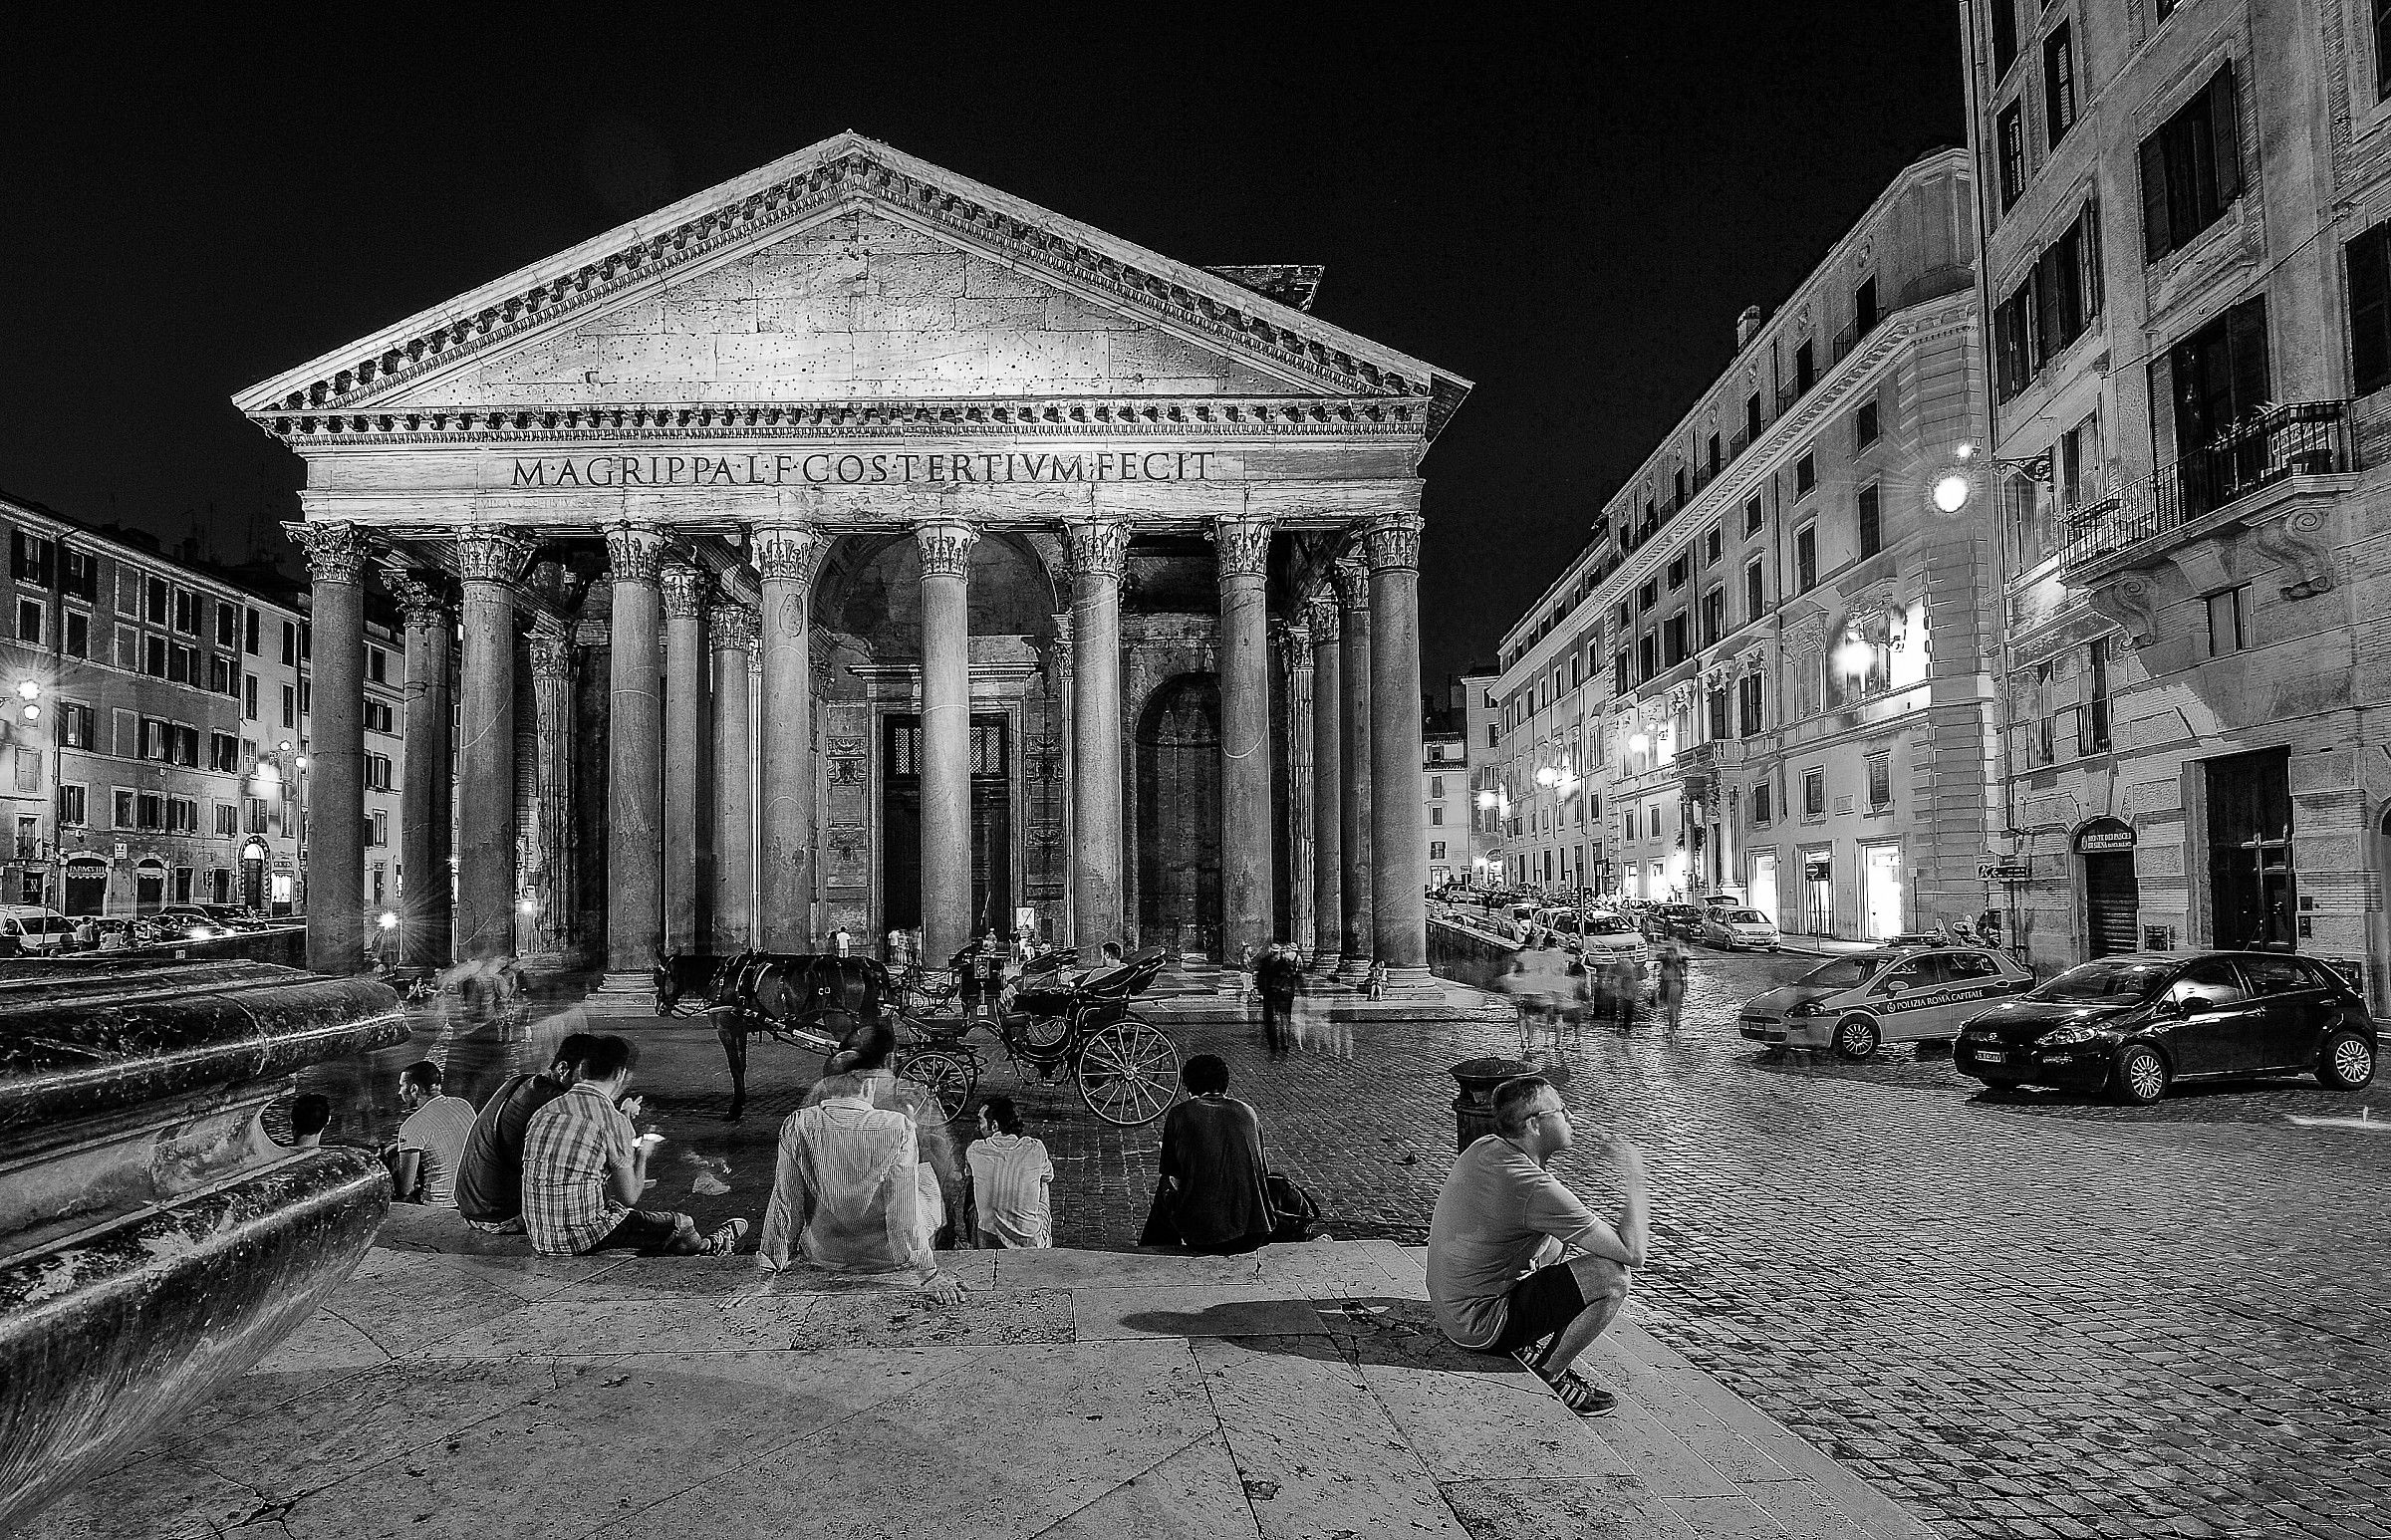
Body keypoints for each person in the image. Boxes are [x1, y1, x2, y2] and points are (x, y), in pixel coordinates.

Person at [1426, 1076, 1649, 1418]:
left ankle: (1528, 1339)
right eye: (1560, 1110)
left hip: (1454, 1312)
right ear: (1535, 1125)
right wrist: (1635, 1176)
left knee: (1564, 1233)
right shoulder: (1533, 1186)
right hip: (1482, 1326)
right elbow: (1632, 1254)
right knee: (1612, 1275)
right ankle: (1551, 1373)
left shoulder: (1485, 1147)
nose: (1570, 1115)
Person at [757, 1023, 967, 1301]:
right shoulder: (896, 1126)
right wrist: (928, 1274)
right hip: (886, 1257)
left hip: (825, 1254)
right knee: (923, 1178)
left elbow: (785, 1204)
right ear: (868, 1084)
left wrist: (765, 1277)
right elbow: (902, 1212)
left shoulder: (797, 1124)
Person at [521, 1034, 745, 1257]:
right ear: (620, 1074)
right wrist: (643, 1154)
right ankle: (711, 1247)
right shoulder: (612, 1120)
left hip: (540, 1234)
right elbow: (628, 1196)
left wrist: (625, 1116)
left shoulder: (545, 1112)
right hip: (579, 1237)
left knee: (645, 1228)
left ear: (582, 1069)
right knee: (683, 1224)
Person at [454, 1032, 596, 1234]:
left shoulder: (520, 1081)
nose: (590, 1087)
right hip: (499, 1215)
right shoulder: (556, 1103)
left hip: (472, 1206)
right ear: (563, 1068)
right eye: (587, 1077)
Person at [1139, 1055, 1273, 1254]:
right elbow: (1263, 1170)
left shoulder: (1180, 1114)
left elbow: (1172, 1174)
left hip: (1204, 1238)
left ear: (1189, 1088)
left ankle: (1154, 1247)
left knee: (1166, 1186)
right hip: (1254, 1235)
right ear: (1225, 1086)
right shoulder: (1248, 1112)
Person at [963, 1096, 1053, 1249]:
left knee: (973, 1186)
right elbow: (1048, 1176)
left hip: (988, 1238)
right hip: (1029, 1240)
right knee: (1042, 1182)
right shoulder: (1036, 1148)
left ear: (995, 1125)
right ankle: (1042, 1240)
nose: (979, 1127)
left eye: (981, 1122)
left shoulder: (975, 1150)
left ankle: (976, 1244)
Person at [386, 1060, 476, 1206]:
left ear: (414, 1089)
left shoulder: (412, 1125)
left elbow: (405, 1189)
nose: (399, 1092)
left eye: (402, 1086)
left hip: (440, 1204)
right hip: (469, 1196)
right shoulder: (463, 1105)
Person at [1255, 942, 1302, 1058]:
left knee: (1271, 1019)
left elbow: (1260, 978)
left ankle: (1274, 1044)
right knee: (1284, 1018)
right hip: (1285, 994)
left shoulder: (1265, 962)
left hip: (1271, 993)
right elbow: (1294, 977)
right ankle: (1285, 1042)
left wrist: (1263, 990)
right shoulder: (1285, 963)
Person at [1654, 940, 1689, 1035]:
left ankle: (1672, 1027)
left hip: (1675, 986)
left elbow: (1684, 962)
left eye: (1671, 952)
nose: (1669, 955)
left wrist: (1679, 959)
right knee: (1673, 1007)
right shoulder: (1667, 960)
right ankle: (1673, 1025)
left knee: (1673, 1007)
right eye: (1668, 953)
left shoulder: (1678, 962)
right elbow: (1658, 957)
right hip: (1669, 985)